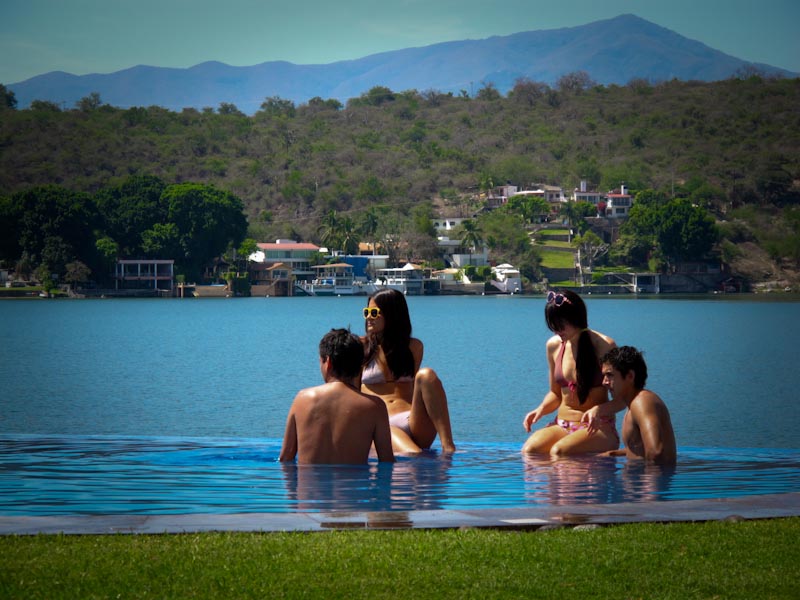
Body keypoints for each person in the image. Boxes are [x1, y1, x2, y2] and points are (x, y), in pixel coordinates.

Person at [522, 289, 622, 456]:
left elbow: (623, 399)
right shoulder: (554, 346)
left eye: (560, 325)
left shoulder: (605, 346)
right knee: (530, 450)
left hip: (598, 426)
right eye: (552, 326)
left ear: (576, 318)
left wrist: (599, 410)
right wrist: (540, 409)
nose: (556, 331)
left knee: (559, 451)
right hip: (562, 424)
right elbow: (555, 394)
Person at [361, 288, 456, 454]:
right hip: (382, 423)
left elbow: (415, 387)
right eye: (367, 311)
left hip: (413, 420)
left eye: (374, 312)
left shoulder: (413, 347)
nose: (369, 317)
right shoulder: (359, 348)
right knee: (414, 453)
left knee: (427, 375)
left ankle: (448, 447)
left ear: (392, 315)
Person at [279, 328, 395, 464]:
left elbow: (285, 458)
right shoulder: (375, 406)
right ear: (359, 366)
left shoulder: (302, 399)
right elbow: (387, 462)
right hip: (356, 485)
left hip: (310, 485)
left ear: (328, 363)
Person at [600, 346, 677, 465]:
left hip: (647, 481)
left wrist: (643, 483)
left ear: (630, 376)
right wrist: (612, 454)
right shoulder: (633, 404)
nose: (604, 382)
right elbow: (640, 449)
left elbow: (655, 452)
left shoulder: (642, 402)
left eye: (610, 375)